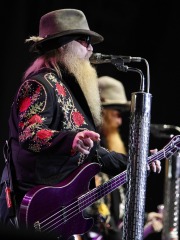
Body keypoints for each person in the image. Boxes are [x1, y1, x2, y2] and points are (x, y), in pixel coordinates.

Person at [0, 9, 161, 240]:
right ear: (62, 45)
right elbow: (30, 134)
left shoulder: (66, 90)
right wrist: (70, 140)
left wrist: (136, 161)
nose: (90, 48)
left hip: (58, 214)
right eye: (84, 40)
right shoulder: (40, 85)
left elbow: (96, 155)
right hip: (35, 212)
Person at [82, 76, 163, 240]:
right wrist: (145, 230)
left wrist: (146, 217)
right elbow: (102, 224)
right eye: (117, 114)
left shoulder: (112, 152)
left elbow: (117, 209)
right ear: (101, 113)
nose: (120, 122)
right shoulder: (91, 153)